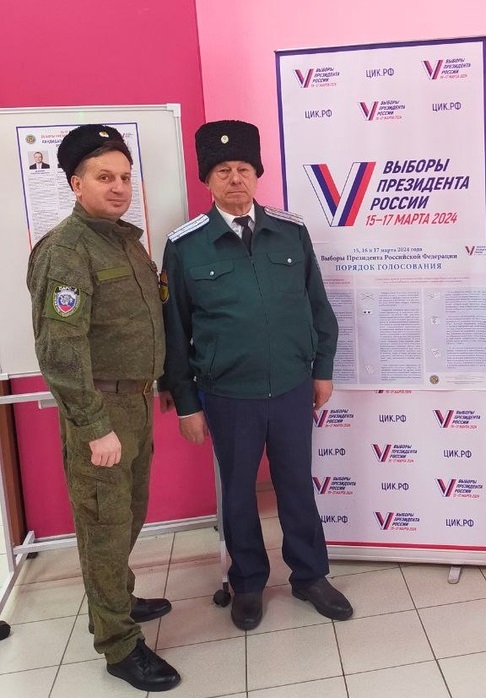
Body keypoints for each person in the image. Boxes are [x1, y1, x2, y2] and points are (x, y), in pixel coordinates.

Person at [160, 120, 352, 631]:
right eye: (223, 170)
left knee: (297, 486)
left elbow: (318, 306)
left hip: (291, 387)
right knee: (239, 494)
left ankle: (310, 575)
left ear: (257, 173)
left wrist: (323, 370)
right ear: (207, 179)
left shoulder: (290, 231)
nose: (235, 179)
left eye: (243, 168)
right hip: (228, 394)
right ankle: (247, 582)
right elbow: (175, 331)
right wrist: (186, 403)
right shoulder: (186, 246)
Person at [27, 125, 180, 692]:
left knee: (128, 516)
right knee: (103, 528)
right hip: (102, 413)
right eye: (104, 177)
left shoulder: (124, 241)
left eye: (124, 177)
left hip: (134, 404)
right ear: (76, 184)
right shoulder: (67, 252)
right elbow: (60, 351)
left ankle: (116, 599)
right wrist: (94, 427)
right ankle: (118, 645)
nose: (118, 187)